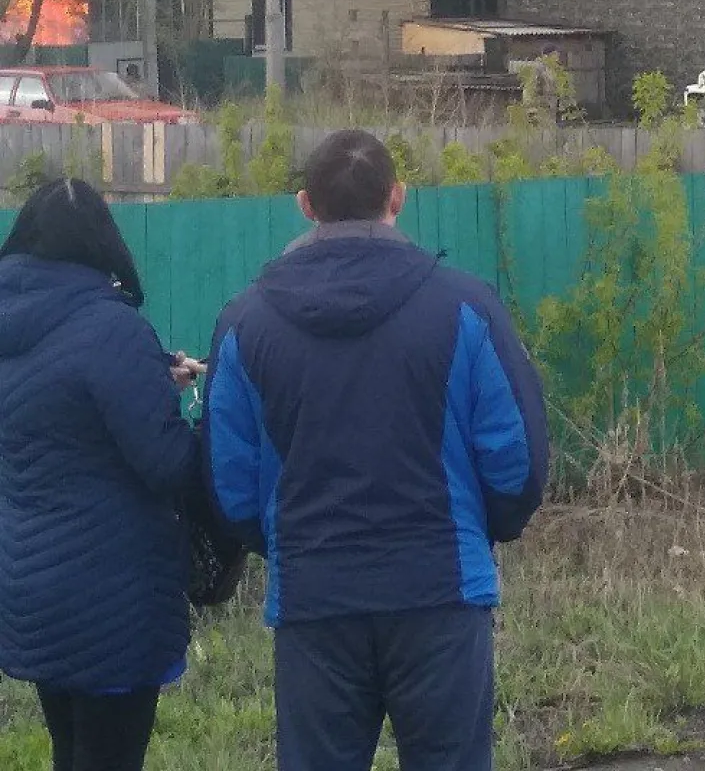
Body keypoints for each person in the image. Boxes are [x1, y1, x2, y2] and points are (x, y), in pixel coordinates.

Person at [203, 130, 549, 771]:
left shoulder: (245, 323)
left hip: (314, 596)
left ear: (305, 205)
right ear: (399, 197)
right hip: (440, 591)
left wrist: (281, 543)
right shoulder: (465, 308)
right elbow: (517, 461)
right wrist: (485, 530)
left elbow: (229, 481)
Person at [0, 178, 204, 771]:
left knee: (73, 751)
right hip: (110, 597)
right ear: (102, 243)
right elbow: (168, 464)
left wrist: (148, 374)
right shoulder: (110, 328)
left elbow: (55, 403)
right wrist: (206, 421)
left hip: (31, 586)